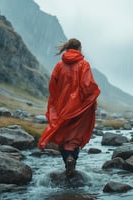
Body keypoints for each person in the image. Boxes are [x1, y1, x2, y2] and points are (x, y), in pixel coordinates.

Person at [38, 38, 100, 177]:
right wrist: (91, 101)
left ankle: (67, 161)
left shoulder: (59, 65)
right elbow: (87, 85)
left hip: (63, 105)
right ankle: (72, 161)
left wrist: (57, 100)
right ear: (79, 48)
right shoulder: (84, 64)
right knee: (76, 136)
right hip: (80, 106)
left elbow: (52, 85)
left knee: (63, 134)